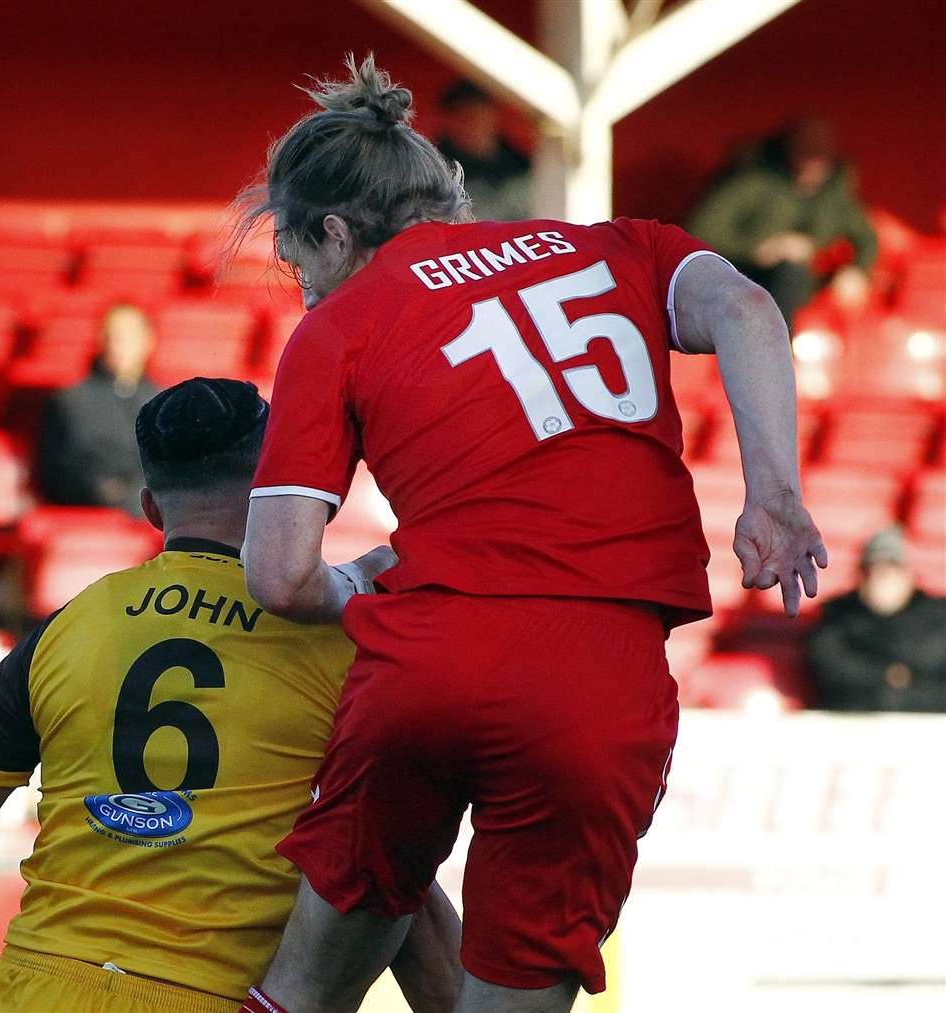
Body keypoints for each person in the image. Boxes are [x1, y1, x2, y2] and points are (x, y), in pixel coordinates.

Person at [232, 56, 822, 1013]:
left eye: (299, 263)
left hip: (428, 661)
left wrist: (366, 580)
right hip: (600, 676)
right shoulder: (621, 247)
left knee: (305, 984)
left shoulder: (342, 326)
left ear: (335, 230)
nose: (302, 289)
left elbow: (282, 576)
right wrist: (775, 495)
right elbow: (752, 307)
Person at [0, 379, 461, 1013]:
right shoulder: (343, 642)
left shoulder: (66, 629)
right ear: (273, 486)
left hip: (34, 988)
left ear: (152, 506)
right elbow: (394, 884)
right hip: (209, 994)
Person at [689, 117, 878, 325]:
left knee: (794, 275)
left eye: (819, 153)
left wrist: (858, 271)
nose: (812, 162)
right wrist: (761, 249)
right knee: (788, 274)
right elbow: (700, 232)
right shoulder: (753, 182)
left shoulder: (834, 195)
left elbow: (867, 239)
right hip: (742, 275)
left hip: (802, 286)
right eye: (806, 151)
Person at [35, 303, 161, 515]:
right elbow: (55, 470)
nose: (118, 345)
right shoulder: (71, 400)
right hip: (88, 509)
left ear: (148, 341)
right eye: (112, 336)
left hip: (149, 511)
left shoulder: (163, 402)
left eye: (128, 336)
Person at [806, 528, 946, 712]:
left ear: (909, 575)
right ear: (860, 577)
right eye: (872, 570)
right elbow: (832, 670)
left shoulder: (937, 615)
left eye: (891, 569)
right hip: (855, 723)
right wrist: (890, 677)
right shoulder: (837, 615)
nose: (881, 578)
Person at [433, 81, 531, 222]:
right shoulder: (435, 170)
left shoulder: (522, 165)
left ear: (493, 115)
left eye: (478, 114)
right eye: (463, 117)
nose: (472, 126)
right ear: (448, 121)